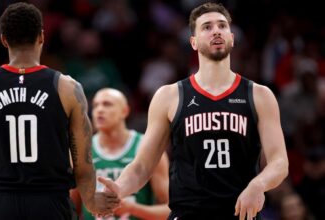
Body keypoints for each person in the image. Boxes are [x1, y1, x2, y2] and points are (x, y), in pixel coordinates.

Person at [98, 2, 289, 220]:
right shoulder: (169, 96)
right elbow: (143, 165)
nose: (216, 30)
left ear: (232, 38)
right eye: (207, 27)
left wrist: (259, 184)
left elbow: (279, 162)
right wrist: (119, 189)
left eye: (222, 26)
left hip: (240, 212)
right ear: (194, 42)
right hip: (188, 213)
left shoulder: (259, 95)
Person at [0, 3, 119, 220]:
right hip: (50, 202)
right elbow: (83, 162)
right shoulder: (67, 88)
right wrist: (92, 201)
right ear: (42, 37)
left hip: (0, 202)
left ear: (4, 40)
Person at [70, 88, 170, 220]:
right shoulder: (80, 151)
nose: (99, 110)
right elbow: (71, 209)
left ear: (125, 111)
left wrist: (131, 208)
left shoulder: (147, 148)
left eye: (107, 104)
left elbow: (169, 210)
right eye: (95, 105)